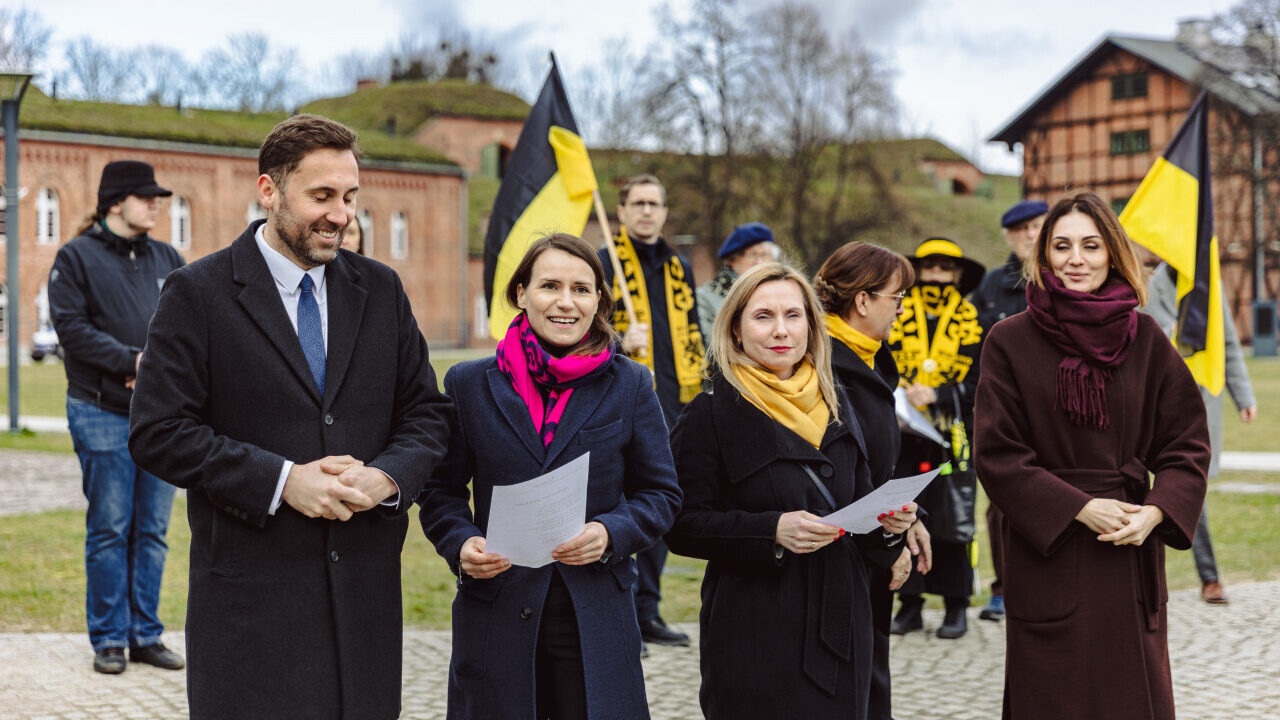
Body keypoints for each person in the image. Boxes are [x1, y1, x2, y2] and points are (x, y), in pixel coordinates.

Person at [128, 114, 452, 720]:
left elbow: (427, 414)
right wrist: (282, 481)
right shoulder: (196, 293)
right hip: (251, 608)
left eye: (350, 196)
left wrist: (387, 478)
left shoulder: (381, 290)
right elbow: (158, 433)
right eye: (322, 196)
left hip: (363, 604)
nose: (341, 214)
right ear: (269, 191)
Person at [420, 233, 682, 719]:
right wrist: (460, 543)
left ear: (599, 300)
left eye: (582, 289)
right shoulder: (468, 384)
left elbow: (661, 494)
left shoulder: (630, 383)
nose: (566, 302)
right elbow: (441, 491)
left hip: (596, 612)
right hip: (497, 608)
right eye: (550, 286)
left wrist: (610, 532)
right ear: (521, 293)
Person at [974, 190, 1209, 719]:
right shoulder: (1009, 340)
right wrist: (1079, 507)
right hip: (1049, 549)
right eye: (1061, 245)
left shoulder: (1146, 338)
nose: (1075, 258)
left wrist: (1156, 509)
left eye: (1091, 245)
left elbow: (1185, 442)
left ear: (1112, 254)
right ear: (1043, 255)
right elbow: (998, 453)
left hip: (1130, 548)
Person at [666, 262, 916, 720]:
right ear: (736, 330)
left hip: (843, 626)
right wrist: (771, 531)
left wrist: (890, 527)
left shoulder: (835, 400)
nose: (781, 330)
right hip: (756, 630)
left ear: (811, 324)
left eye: (793, 315)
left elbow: (858, 504)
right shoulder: (709, 413)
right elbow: (680, 525)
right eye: (763, 316)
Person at [48, 160, 187, 675]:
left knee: (152, 529)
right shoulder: (75, 258)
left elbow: (187, 326)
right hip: (101, 410)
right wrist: (136, 362)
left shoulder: (168, 258)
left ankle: (145, 635)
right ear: (115, 202)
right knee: (110, 528)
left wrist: (158, 371)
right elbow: (72, 330)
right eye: (146, 196)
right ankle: (108, 639)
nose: (156, 204)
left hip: (161, 418)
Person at [814, 241, 931, 720]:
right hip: (837, 561)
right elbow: (845, 475)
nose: (902, 310)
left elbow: (880, 464)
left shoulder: (870, 358)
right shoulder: (824, 367)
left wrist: (912, 518)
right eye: (896, 298)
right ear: (862, 301)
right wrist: (890, 542)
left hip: (870, 546)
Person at [599, 173, 704, 648]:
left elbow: (696, 334)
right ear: (621, 212)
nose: (646, 211)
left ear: (664, 213)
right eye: (637, 203)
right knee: (619, 508)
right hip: (617, 402)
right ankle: (619, 614)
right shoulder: (602, 263)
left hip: (674, 405)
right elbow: (577, 333)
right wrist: (620, 341)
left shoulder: (680, 267)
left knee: (660, 507)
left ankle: (648, 611)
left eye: (654, 204)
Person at [1143, 256, 1256, 604]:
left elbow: (1227, 342)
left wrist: (1243, 396)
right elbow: (1148, 336)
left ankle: (1209, 577)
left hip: (1200, 399)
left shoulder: (1211, 283)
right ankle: (1144, 581)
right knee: (1141, 487)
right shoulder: (1151, 283)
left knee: (1195, 484)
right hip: (1152, 402)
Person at [887, 237, 985, 640]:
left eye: (945, 269)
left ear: (957, 276)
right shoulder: (895, 313)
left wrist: (940, 394)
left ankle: (956, 606)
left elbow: (982, 378)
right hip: (903, 433)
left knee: (952, 519)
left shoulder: (973, 319)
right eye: (928, 268)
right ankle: (909, 605)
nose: (936, 276)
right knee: (903, 516)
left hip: (952, 434)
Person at [969, 198, 1047, 622]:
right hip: (1002, 411)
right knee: (1000, 504)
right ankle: (1002, 589)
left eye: (1038, 226)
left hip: (1053, 411)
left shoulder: (1061, 278)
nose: (1031, 235)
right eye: (1022, 230)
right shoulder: (991, 285)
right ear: (1009, 236)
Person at [696, 222, 778, 338]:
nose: (760, 262)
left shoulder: (779, 294)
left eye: (765, 255)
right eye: (752, 254)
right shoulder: (704, 298)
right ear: (732, 259)